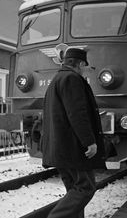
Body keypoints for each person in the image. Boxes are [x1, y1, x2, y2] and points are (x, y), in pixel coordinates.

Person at [41, 48, 106, 218]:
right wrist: (89, 142)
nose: (86, 70)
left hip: (61, 148)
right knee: (86, 187)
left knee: (74, 189)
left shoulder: (57, 79)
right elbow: (77, 113)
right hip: (72, 148)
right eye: (86, 67)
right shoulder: (72, 79)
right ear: (81, 64)